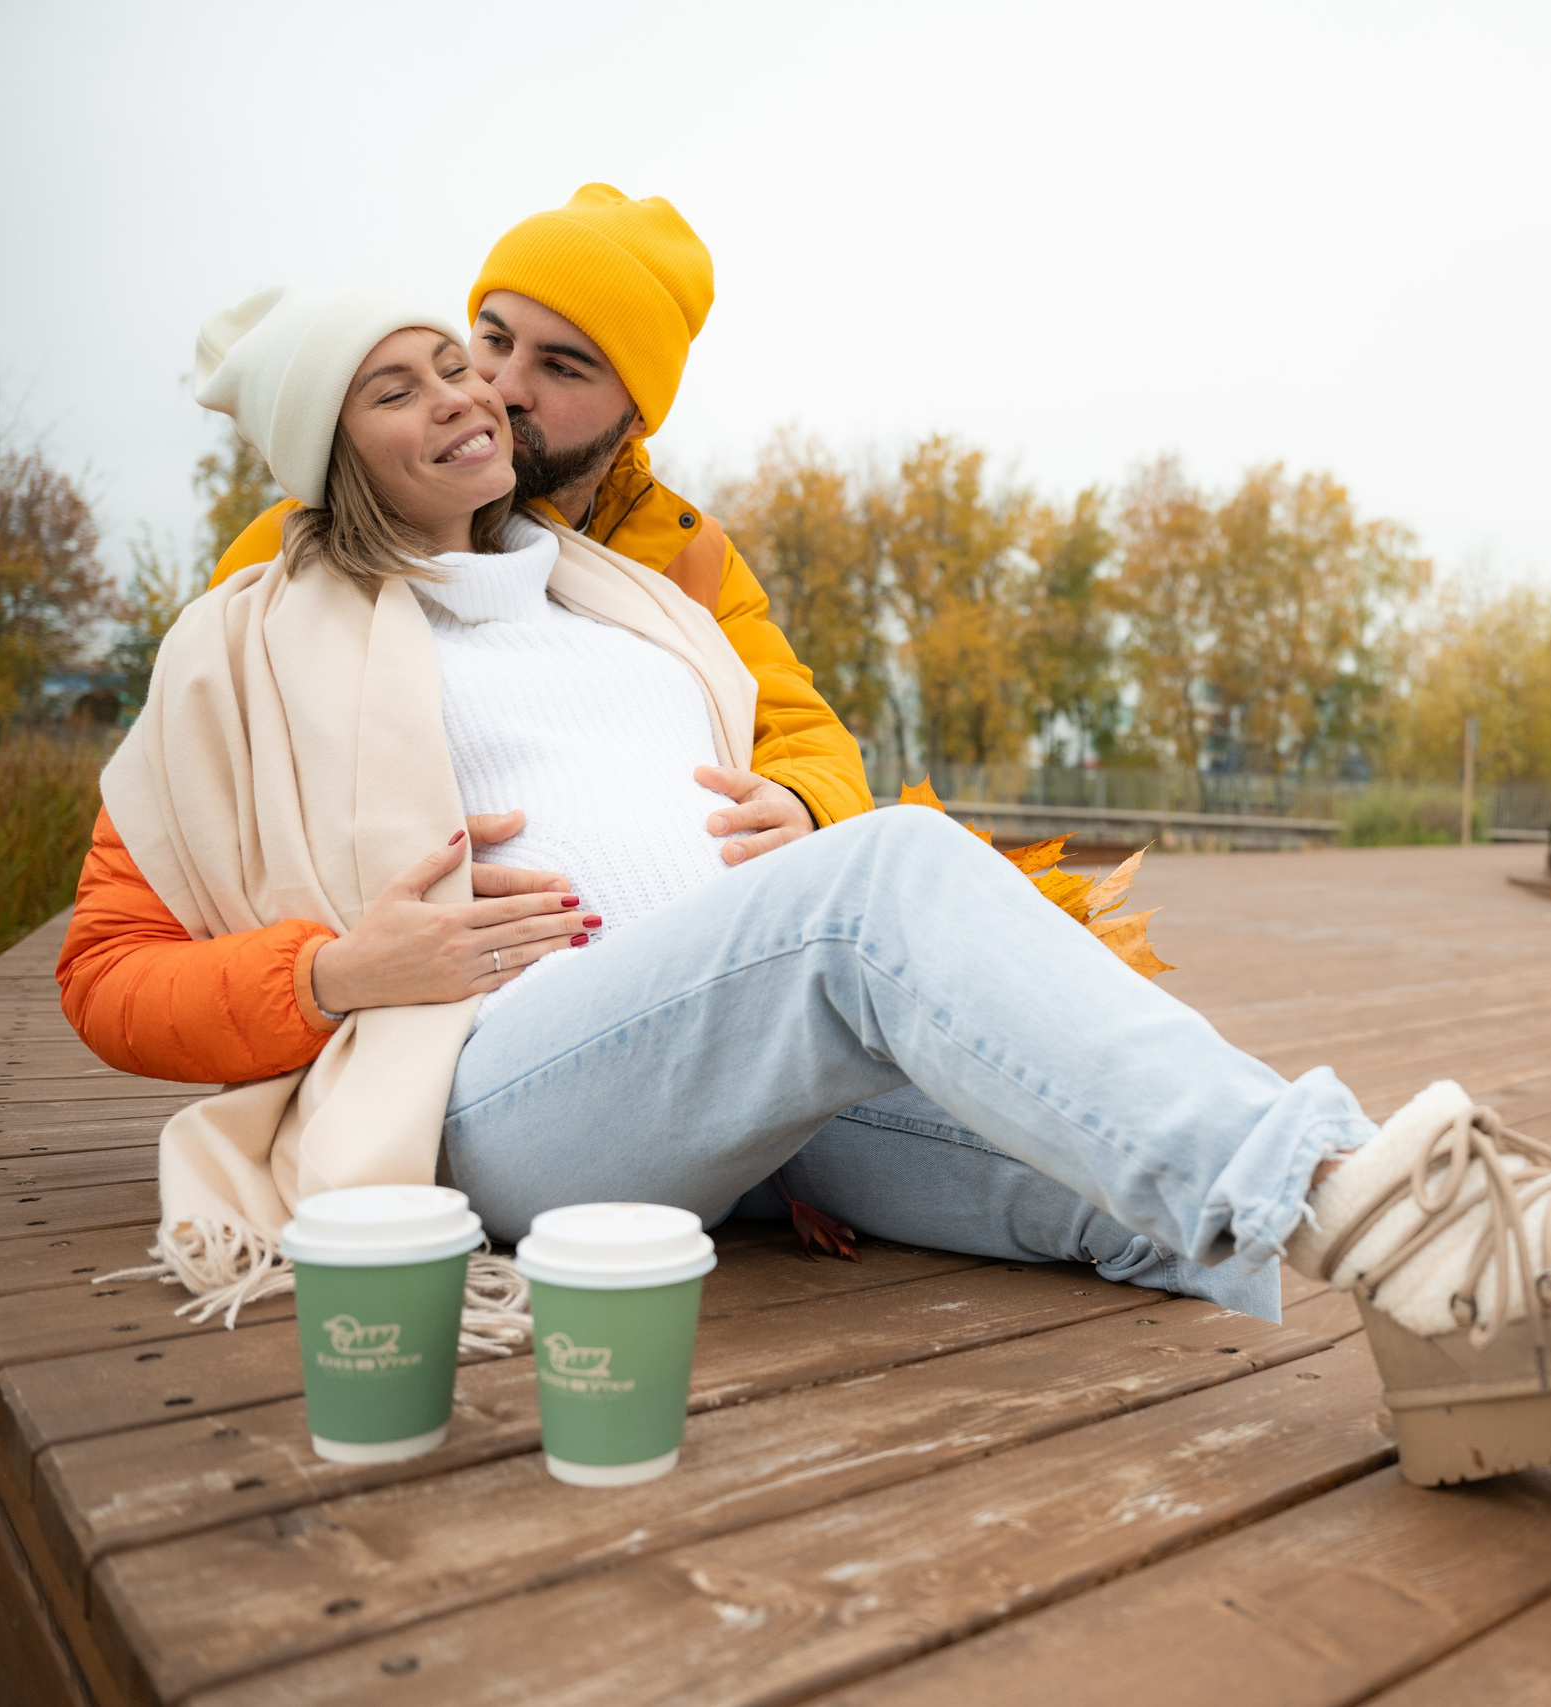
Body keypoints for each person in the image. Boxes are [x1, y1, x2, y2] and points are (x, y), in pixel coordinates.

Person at [60, 289, 1551, 1487]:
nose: (462, 395)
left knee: (1121, 1188)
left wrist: (789, 811)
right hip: (496, 1101)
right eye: (400, 386)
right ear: (325, 450)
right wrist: (338, 964)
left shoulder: (619, 595)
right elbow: (108, 971)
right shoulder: (247, 642)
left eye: (461, 363)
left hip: (746, 1092)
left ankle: (1471, 1336)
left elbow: (782, 772)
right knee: (885, 891)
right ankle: (1451, 1239)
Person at [190, 186, 1195, 1302]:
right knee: (890, 867)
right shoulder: (286, 584)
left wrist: (806, 804)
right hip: (511, 1069)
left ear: (633, 411)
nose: (502, 389)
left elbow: (802, 729)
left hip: (739, 1033)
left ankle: (1375, 1263)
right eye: (492, 340)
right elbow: (169, 881)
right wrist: (330, 974)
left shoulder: (676, 562)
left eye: (564, 368)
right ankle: (1328, 1170)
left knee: (1159, 1201)